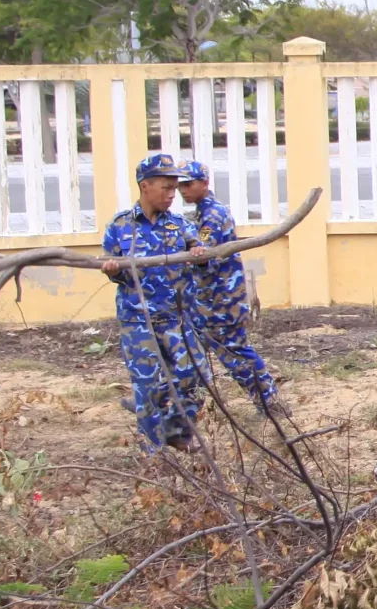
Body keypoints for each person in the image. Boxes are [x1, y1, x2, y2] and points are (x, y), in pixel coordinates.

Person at [98, 153, 205, 450]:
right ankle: (153, 451)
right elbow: (112, 266)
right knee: (146, 385)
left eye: (175, 188)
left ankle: (177, 430)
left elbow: (198, 250)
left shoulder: (180, 225)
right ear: (145, 186)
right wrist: (113, 269)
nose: (172, 195)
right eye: (165, 188)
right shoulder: (120, 226)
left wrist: (198, 251)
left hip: (175, 317)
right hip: (138, 319)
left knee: (194, 372)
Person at [172, 160, 281, 414]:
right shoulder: (201, 212)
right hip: (208, 300)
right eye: (180, 186)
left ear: (205, 183)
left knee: (235, 353)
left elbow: (204, 255)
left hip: (221, 301)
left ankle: (270, 403)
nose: (183, 190)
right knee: (188, 353)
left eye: (188, 184)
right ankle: (177, 407)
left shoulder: (213, 214)